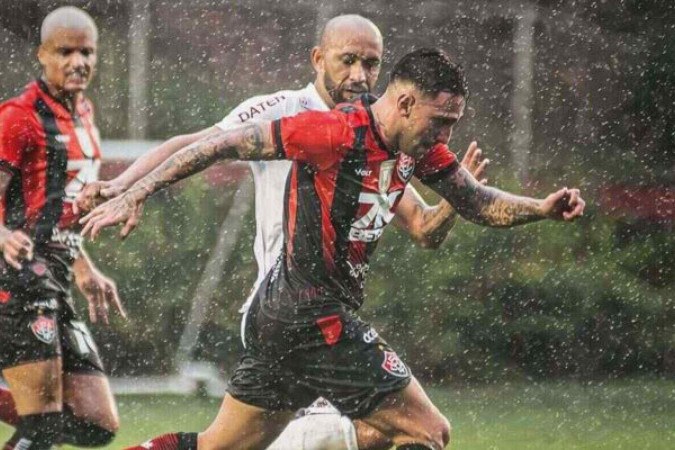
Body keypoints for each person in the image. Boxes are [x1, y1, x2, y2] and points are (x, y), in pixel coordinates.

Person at [81, 48, 585, 450]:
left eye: (453, 122)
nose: (446, 135)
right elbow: (219, 144)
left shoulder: (417, 147)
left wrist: (540, 207)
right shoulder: (333, 132)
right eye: (441, 121)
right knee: (428, 431)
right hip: (310, 316)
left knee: (220, 447)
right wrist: (134, 191)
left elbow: (475, 201)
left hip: (286, 319)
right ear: (406, 103)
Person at [0, 7, 125, 449]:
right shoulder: (19, 117)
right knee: (43, 427)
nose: (78, 62)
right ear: (42, 55)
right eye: (65, 51)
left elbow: (58, 208)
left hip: (56, 280)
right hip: (18, 281)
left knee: (97, 424)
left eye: (86, 52)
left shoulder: (84, 114)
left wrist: (83, 268)